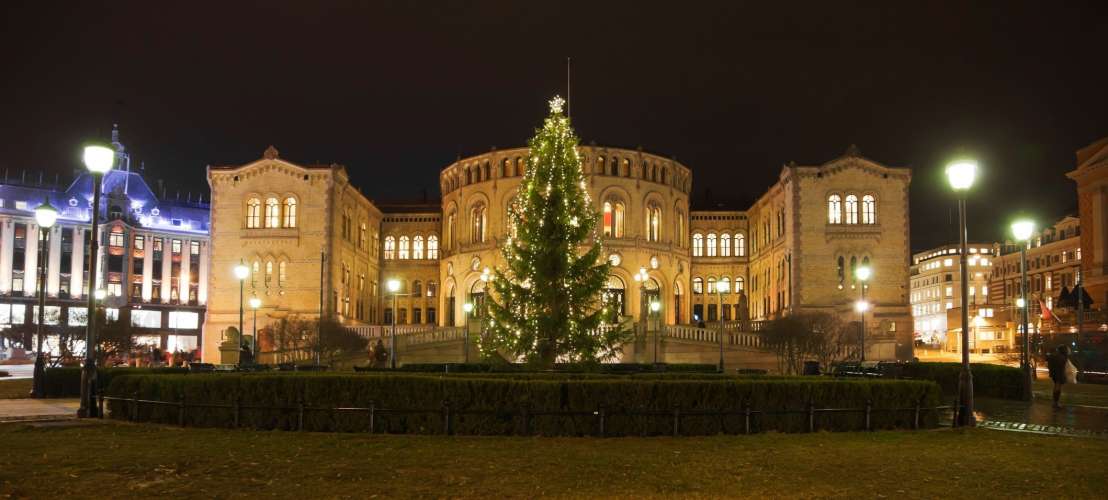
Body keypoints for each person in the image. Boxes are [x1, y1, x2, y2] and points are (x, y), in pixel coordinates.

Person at [1046, 345, 1071, 409]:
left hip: (1054, 374)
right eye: (1068, 350)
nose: (1069, 351)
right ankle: (1055, 403)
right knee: (1057, 388)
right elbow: (1062, 367)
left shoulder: (1054, 356)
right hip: (1059, 374)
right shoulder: (1062, 357)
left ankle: (1055, 403)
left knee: (1057, 387)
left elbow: (1049, 362)